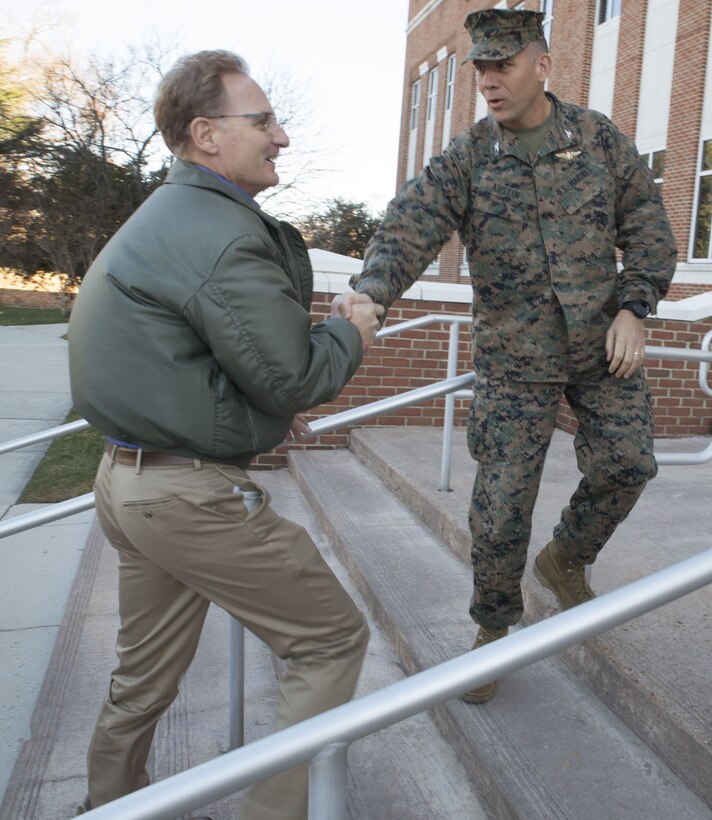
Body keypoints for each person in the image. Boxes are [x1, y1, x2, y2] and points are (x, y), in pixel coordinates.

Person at [68, 49, 383, 818]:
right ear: (206, 134)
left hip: (127, 479)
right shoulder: (222, 234)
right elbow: (294, 379)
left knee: (142, 676)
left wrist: (268, 398)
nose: (281, 137)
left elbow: (204, 361)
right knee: (330, 641)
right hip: (188, 495)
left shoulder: (171, 214)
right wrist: (355, 331)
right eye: (265, 120)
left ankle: (107, 806)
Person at [333, 9, 676, 703]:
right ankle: (493, 632)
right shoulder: (467, 158)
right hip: (513, 359)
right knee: (499, 510)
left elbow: (650, 229)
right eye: (480, 68)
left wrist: (635, 309)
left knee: (628, 464)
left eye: (503, 65)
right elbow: (407, 227)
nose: (488, 79)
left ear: (541, 66)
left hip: (599, 347)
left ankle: (566, 558)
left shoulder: (599, 139)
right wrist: (372, 293)